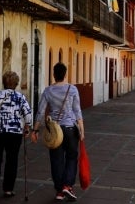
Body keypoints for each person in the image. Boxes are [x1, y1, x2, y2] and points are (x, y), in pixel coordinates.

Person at [31, 62, 84, 201]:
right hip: (70, 129)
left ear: (53, 75)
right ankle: (67, 185)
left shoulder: (48, 91)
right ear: (65, 74)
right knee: (72, 157)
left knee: (56, 160)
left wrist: (35, 130)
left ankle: (59, 191)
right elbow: (77, 111)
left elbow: (41, 112)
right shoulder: (72, 89)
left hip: (54, 131)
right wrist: (82, 130)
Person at [0, 71, 33, 198]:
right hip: (14, 133)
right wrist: (27, 126)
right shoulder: (20, 97)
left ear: (3, 82)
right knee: (12, 159)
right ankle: (8, 189)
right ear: (16, 83)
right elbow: (28, 115)